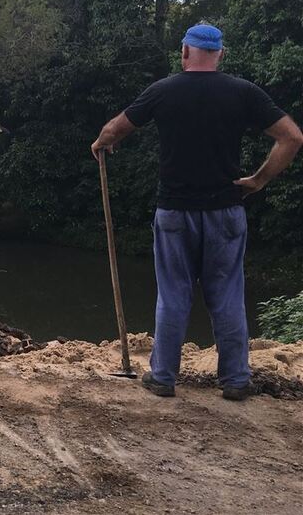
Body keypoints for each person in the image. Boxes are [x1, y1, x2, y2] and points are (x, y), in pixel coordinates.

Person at [90, 23, 303, 401]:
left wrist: (102, 144)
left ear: (185, 52)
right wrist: (258, 179)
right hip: (226, 210)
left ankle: (163, 377)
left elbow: (113, 130)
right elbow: (292, 137)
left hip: (174, 212)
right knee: (227, 295)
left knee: (173, 293)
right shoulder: (243, 92)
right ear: (220, 54)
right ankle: (236, 380)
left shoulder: (164, 91)